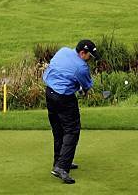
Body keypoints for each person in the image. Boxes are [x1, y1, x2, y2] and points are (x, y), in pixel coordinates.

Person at [43, 39, 100, 184]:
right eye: (90, 57)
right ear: (82, 53)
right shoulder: (82, 67)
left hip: (49, 93)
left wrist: (76, 86)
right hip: (64, 98)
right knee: (72, 130)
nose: (90, 60)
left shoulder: (63, 51)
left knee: (58, 129)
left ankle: (59, 162)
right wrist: (83, 91)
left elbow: (55, 69)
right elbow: (86, 87)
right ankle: (62, 167)